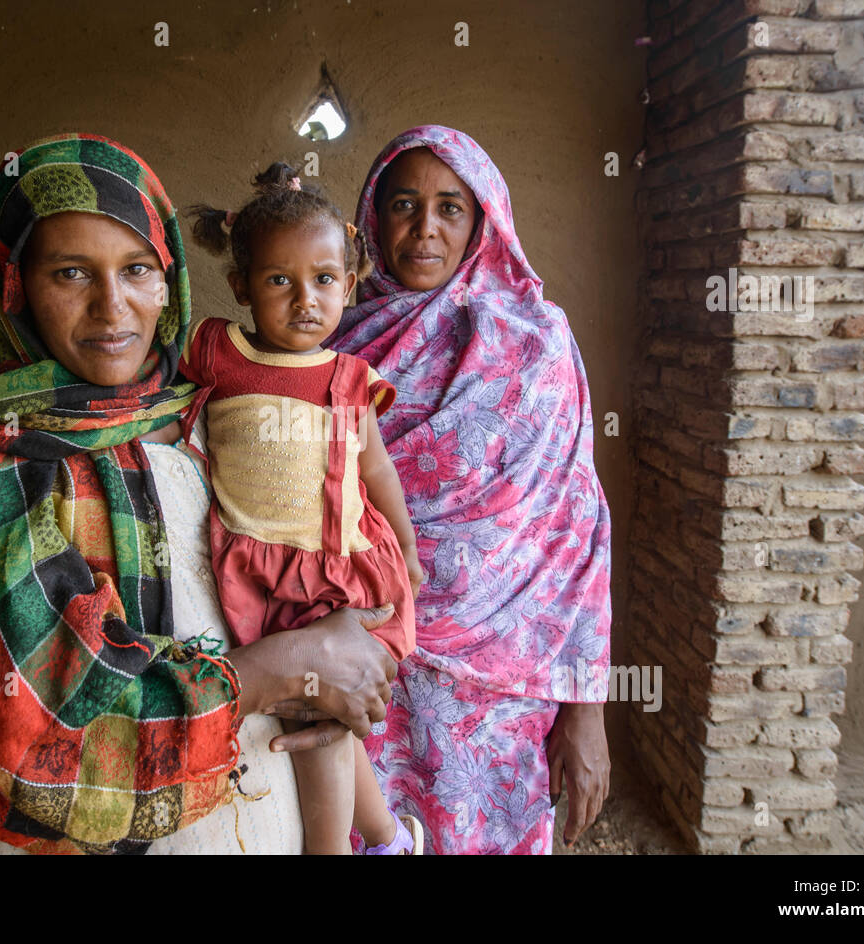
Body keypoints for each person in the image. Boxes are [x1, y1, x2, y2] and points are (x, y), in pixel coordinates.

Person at [0, 133, 397, 855]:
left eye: (137, 270)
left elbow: (321, 546)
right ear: (15, 286)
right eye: (70, 273)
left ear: (172, 280)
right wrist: (288, 667)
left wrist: (350, 641)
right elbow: (31, 731)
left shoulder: (203, 414)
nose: (111, 307)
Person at [329, 125, 613, 855]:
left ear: (483, 218)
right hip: (366, 667)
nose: (425, 229)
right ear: (371, 218)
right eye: (403, 205)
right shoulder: (334, 344)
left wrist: (586, 711)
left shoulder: (535, 343)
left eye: (450, 207)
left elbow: (575, 531)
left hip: (500, 694)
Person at [181, 163, 424, 855]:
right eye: (278, 281)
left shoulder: (350, 380)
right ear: (242, 289)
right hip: (261, 570)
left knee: (324, 706)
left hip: (338, 571)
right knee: (329, 712)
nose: (304, 300)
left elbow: (375, 469)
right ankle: (387, 837)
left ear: (349, 286)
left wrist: (405, 548)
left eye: (324, 279)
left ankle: (330, 849)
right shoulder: (217, 353)